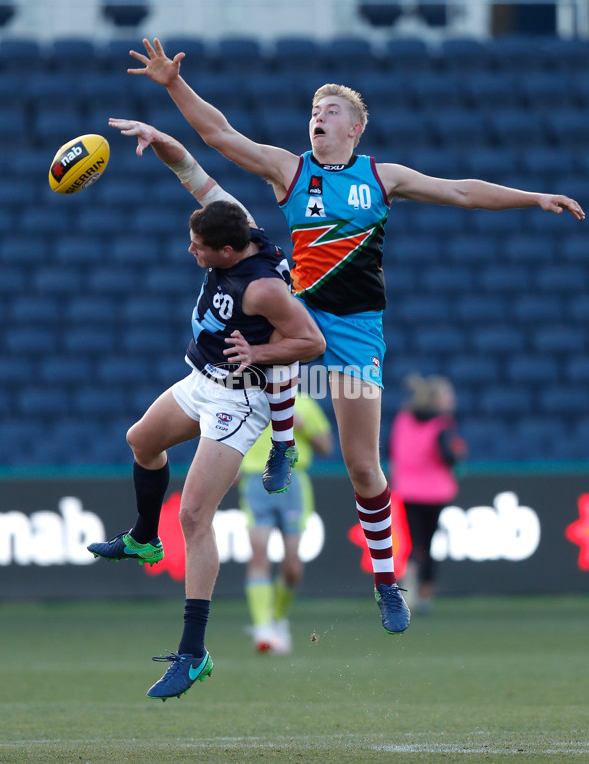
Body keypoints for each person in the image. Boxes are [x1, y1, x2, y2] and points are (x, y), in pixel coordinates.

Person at [125, 38, 585, 636]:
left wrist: (532, 198)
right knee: (262, 350)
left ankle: (388, 582)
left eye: (331, 110)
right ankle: (282, 444)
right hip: (298, 321)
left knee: (362, 467)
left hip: (359, 333)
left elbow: (461, 190)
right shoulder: (291, 171)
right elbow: (219, 136)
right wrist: (172, 85)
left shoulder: (381, 176)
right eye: (314, 110)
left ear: (356, 128)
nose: (319, 116)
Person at [87, 119, 326, 701]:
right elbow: (193, 172)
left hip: (239, 400)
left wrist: (261, 349)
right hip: (202, 379)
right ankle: (145, 537)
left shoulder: (263, 287)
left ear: (226, 250)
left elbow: (313, 342)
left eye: (197, 247)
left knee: (195, 516)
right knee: (140, 440)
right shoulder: (232, 221)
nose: (189, 250)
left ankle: (193, 653)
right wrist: (157, 137)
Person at [239, 392, 332, 654]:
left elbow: (326, 447)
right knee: (259, 555)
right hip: (256, 483)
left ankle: (278, 618)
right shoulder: (249, 401)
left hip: (293, 484)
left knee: (292, 564)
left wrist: (304, 427)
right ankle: (262, 629)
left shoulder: (303, 403)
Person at [389, 374, 467, 615]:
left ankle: (408, 586)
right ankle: (425, 594)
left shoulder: (402, 420)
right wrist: (458, 453)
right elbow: (447, 456)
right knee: (428, 544)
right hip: (435, 492)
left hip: (407, 489)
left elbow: (389, 448)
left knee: (413, 541)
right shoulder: (442, 424)